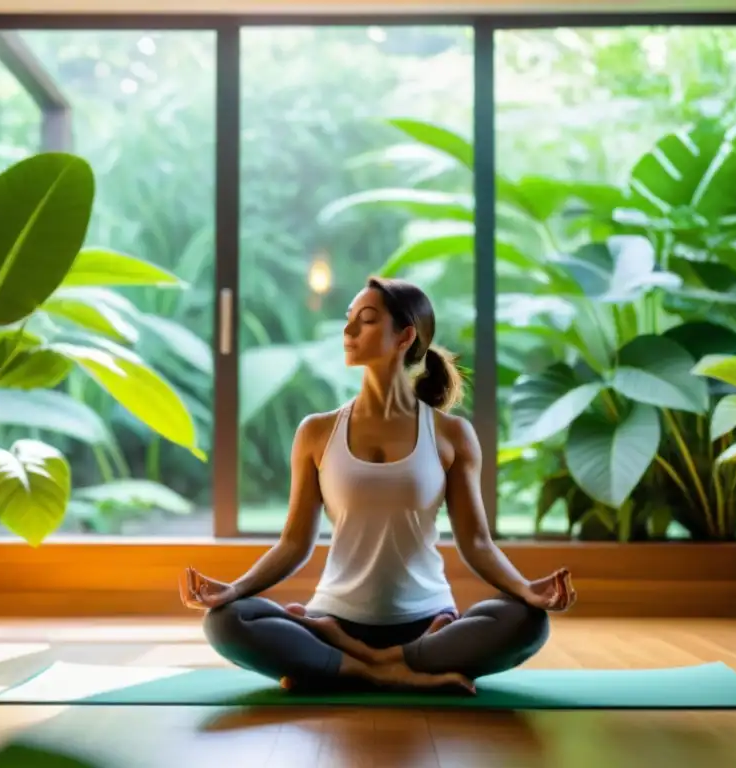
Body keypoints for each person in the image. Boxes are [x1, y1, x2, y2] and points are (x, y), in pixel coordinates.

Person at [181, 276, 576, 695]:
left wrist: (525, 590)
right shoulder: (317, 432)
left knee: (528, 621)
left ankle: (360, 663)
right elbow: (294, 543)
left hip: (426, 624)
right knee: (226, 620)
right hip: (332, 617)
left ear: (405, 336)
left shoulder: (451, 434)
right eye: (349, 319)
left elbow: (476, 542)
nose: (348, 331)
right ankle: (381, 670)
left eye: (365, 321)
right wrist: (235, 589)